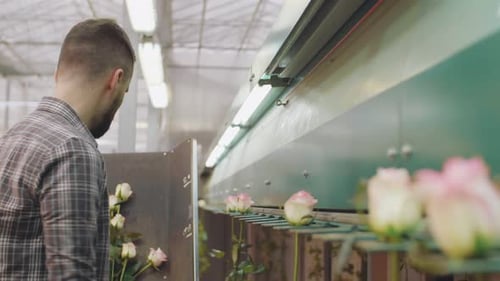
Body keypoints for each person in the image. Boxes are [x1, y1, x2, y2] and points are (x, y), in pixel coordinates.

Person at [0, 19, 135, 280]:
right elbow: (72, 274)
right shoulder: (72, 151)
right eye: (125, 91)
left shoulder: (9, 140)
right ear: (115, 80)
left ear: (57, 74)